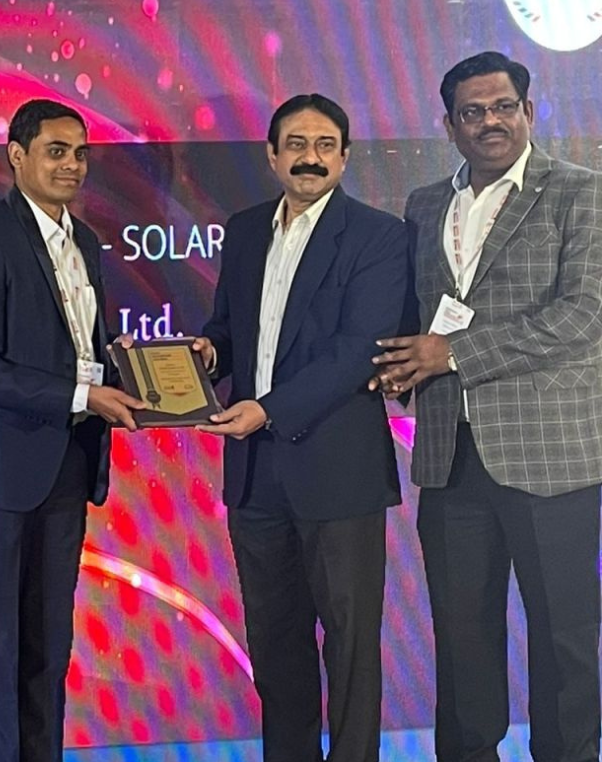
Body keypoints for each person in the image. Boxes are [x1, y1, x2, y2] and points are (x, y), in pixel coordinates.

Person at [372, 51, 602, 762]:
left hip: (551, 455)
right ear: (450, 125)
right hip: (449, 454)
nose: (489, 122)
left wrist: (453, 353)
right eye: (472, 112)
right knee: (462, 636)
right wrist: (397, 369)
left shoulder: (581, 192)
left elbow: (583, 315)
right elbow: (415, 315)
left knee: (564, 636)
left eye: (503, 106)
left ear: (528, 111)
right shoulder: (424, 205)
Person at [194, 94, 409, 762]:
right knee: (276, 646)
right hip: (255, 476)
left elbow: (357, 351)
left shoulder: (378, 236)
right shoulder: (245, 230)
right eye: (295, 144)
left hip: (339, 473)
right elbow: (231, 328)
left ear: (344, 157)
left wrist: (268, 409)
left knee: (350, 648)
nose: (309, 158)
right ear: (272, 155)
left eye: (323, 145)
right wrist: (208, 354)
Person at [0, 98, 145, 761]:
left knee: (49, 645)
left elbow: (77, 348)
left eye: (80, 153)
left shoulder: (83, 240)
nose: (72, 165)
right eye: (56, 151)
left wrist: (135, 371)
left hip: (68, 464)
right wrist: (83, 393)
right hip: (1, 472)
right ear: (17, 155)